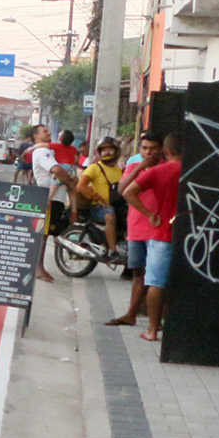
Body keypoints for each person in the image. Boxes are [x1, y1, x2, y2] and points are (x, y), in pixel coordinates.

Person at [121, 131, 182, 342]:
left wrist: (149, 215)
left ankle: (153, 330)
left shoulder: (159, 171)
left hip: (162, 232)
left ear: (165, 150)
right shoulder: (194, 170)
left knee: (155, 281)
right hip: (193, 236)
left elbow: (127, 191)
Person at [109, 132, 166, 324]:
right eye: (144, 148)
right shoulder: (133, 166)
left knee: (155, 276)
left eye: (153, 148)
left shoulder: (165, 168)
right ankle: (131, 314)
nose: (148, 152)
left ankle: (154, 319)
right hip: (136, 227)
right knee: (137, 273)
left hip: (156, 227)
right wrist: (139, 169)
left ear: (161, 150)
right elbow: (122, 189)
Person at [28, 124, 70, 283]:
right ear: (36, 136)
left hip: (55, 198)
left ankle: (39, 267)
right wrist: (71, 180)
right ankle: (38, 268)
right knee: (43, 235)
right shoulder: (42, 152)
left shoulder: (49, 150)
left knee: (45, 235)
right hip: (48, 199)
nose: (48, 133)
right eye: (44, 131)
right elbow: (56, 170)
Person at [75, 138, 126, 259]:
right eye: (104, 150)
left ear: (117, 151)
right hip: (99, 207)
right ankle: (113, 251)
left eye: (110, 149)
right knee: (110, 216)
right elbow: (80, 186)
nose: (107, 152)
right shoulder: (94, 168)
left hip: (117, 205)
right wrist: (98, 198)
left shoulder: (120, 171)